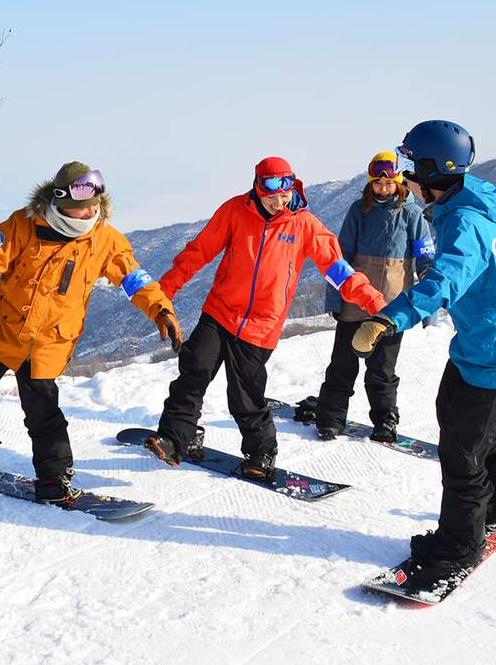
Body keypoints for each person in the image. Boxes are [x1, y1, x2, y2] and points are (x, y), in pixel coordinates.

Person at [0, 162, 181, 503]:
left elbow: (134, 279)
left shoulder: (106, 240)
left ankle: (54, 483)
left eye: (95, 206)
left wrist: (161, 310)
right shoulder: (23, 224)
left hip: (48, 345)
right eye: (83, 208)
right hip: (1, 334)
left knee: (43, 415)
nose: (91, 213)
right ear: (60, 198)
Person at [352, 121, 496, 591]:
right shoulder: (461, 203)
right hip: (479, 345)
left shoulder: (463, 222)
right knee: (459, 426)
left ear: (429, 170)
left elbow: (445, 282)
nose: (404, 179)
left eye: (408, 167)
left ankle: (460, 543)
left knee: (463, 451)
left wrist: (387, 319)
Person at [143, 157, 386, 479]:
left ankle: (261, 452)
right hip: (220, 311)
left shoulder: (305, 225)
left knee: (245, 396)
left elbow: (338, 271)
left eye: (283, 195)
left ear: (292, 187)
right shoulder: (234, 211)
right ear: (257, 188)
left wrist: (375, 302)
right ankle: (176, 439)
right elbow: (197, 252)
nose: (278, 202)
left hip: (262, 324)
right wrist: (165, 293)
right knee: (193, 372)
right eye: (270, 195)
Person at [313, 151, 435, 442]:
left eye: (388, 183)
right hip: (354, 301)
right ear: (370, 183)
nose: (383, 188)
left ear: (399, 182)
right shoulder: (359, 210)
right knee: (342, 363)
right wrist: (335, 299)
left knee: (382, 369)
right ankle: (330, 418)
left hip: (392, 306)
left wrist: (427, 307)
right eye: (377, 183)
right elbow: (339, 259)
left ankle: (385, 421)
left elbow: (425, 257)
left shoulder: (412, 213)